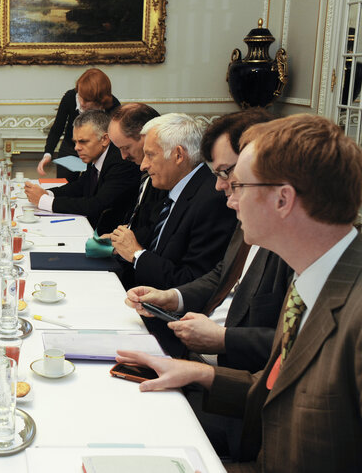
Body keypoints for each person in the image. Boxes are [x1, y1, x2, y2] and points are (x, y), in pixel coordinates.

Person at [118, 114, 362, 472]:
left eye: (239, 186)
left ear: (283, 200)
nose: (228, 198)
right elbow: (277, 390)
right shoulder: (309, 278)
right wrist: (197, 373)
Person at [124, 108, 292, 460]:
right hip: (202, 360)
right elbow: (222, 275)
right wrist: (172, 297)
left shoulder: (288, 241)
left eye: (229, 175)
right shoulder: (248, 216)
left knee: (133, 421)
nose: (221, 188)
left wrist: (220, 341)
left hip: (233, 390)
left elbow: (289, 349)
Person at [117, 113, 237, 289]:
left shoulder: (211, 201)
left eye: (150, 155)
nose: (143, 165)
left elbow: (192, 280)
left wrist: (136, 254)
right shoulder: (172, 187)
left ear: (179, 155)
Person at [24, 110, 140, 233]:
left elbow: (96, 205)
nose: (76, 148)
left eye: (83, 141)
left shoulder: (121, 161)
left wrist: (44, 201)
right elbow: (80, 186)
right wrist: (47, 194)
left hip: (110, 235)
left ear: (105, 139)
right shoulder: (96, 154)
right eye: (75, 142)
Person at [102, 102, 167, 249]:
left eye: (126, 148)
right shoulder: (144, 171)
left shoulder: (165, 178)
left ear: (145, 137)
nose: (123, 156)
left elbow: (155, 227)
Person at [37, 68, 121, 181]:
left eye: (87, 101)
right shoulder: (70, 96)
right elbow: (57, 128)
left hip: (97, 152)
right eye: (80, 96)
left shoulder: (113, 106)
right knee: (65, 186)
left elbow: (114, 137)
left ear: (100, 101)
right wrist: (47, 154)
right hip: (70, 150)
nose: (82, 103)